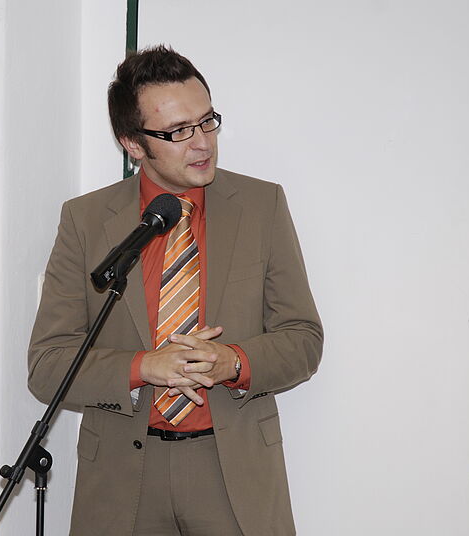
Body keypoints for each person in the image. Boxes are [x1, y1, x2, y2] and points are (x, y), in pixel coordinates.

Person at [28, 45, 323, 536]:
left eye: (207, 121)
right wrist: (144, 367)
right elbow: (47, 366)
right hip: (122, 476)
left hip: (233, 470)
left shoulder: (262, 205)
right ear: (133, 143)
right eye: (178, 131)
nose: (202, 143)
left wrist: (232, 362)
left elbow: (304, 339)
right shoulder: (85, 221)